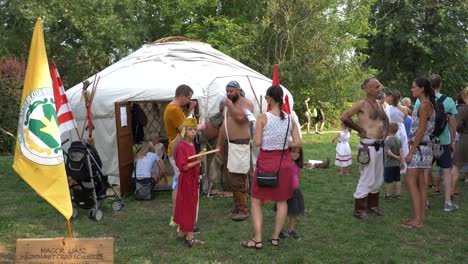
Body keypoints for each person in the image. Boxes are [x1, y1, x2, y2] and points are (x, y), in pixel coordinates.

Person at [241, 85, 301, 249]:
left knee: (255, 200)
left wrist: (255, 130)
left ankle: (258, 239)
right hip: (284, 163)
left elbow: (258, 142)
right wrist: (283, 142)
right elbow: (298, 143)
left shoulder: (262, 118)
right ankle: (275, 238)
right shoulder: (290, 118)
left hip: (267, 162)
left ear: (268, 99)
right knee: (282, 201)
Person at [341, 78, 388, 220]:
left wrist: (385, 132)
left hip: (379, 145)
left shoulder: (380, 104)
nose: (380, 88)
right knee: (367, 177)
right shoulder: (361, 104)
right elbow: (344, 116)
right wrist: (360, 129)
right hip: (368, 146)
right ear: (368, 89)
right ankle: (359, 210)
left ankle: (372, 206)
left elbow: (385, 120)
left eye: (379, 86)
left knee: (378, 177)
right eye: (376, 87)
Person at [414, 74, 458, 211]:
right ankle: (447, 203)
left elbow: (417, 121)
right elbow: (452, 124)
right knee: (446, 170)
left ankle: (425, 202)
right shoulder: (449, 101)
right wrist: (452, 142)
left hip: (426, 141)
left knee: (426, 170)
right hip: (443, 140)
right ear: (441, 84)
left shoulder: (420, 100)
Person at [216, 80, 254, 221]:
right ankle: (237, 206)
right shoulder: (227, 106)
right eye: (227, 91)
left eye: (231, 91)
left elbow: (240, 118)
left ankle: (243, 209)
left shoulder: (246, 103)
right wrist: (219, 144)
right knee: (231, 177)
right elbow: (223, 126)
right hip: (229, 144)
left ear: (238, 90)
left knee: (238, 177)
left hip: (240, 145)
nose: (228, 94)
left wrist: (230, 105)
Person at [402, 77, 435, 229]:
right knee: (421, 183)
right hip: (424, 148)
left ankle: (418, 219)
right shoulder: (426, 105)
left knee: (410, 181)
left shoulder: (424, 106)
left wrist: (411, 151)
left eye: (414, 87)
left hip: (420, 149)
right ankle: (420, 218)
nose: (412, 89)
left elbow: (421, 130)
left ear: (422, 88)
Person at [164, 84, 197, 226]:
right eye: (188, 98)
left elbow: (183, 125)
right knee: (182, 184)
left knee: (177, 184)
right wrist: (199, 127)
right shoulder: (174, 110)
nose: (188, 101)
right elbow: (184, 131)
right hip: (178, 152)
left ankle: (176, 217)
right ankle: (180, 218)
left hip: (176, 150)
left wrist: (189, 110)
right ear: (182, 96)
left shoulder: (174, 108)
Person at [173, 118, 205, 247]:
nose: (193, 132)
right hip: (186, 180)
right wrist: (198, 160)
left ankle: (181, 234)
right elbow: (184, 166)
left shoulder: (191, 145)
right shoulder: (182, 146)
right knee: (189, 207)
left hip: (192, 179)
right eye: (190, 129)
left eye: (195, 130)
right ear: (185, 131)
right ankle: (190, 237)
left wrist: (198, 156)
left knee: (186, 206)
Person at [277, 146, 305, 240]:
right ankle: (280, 230)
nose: (295, 154)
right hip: (285, 191)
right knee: (283, 212)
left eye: (297, 153)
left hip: (295, 191)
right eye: (292, 152)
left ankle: (291, 230)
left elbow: (298, 176)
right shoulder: (284, 163)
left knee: (293, 212)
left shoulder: (297, 164)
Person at [387, 91, 409, 174]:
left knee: (391, 146)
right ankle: (402, 165)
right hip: (401, 128)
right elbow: (405, 119)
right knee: (402, 146)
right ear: (400, 98)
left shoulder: (389, 108)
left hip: (392, 127)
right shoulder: (404, 108)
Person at [451, 87, 468, 196]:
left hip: (465, 139)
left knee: (457, 166)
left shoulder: (463, 109)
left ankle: (451, 191)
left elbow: (458, 126)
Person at [384, 123, 405, 199]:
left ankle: (388, 195)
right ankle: (398, 194)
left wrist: (396, 157)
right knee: (397, 179)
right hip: (397, 164)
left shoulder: (387, 141)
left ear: (388, 130)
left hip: (389, 164)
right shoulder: (398, 140)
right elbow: (401, 152)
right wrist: (402, 162)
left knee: (389, 180)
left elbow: (389, 152)